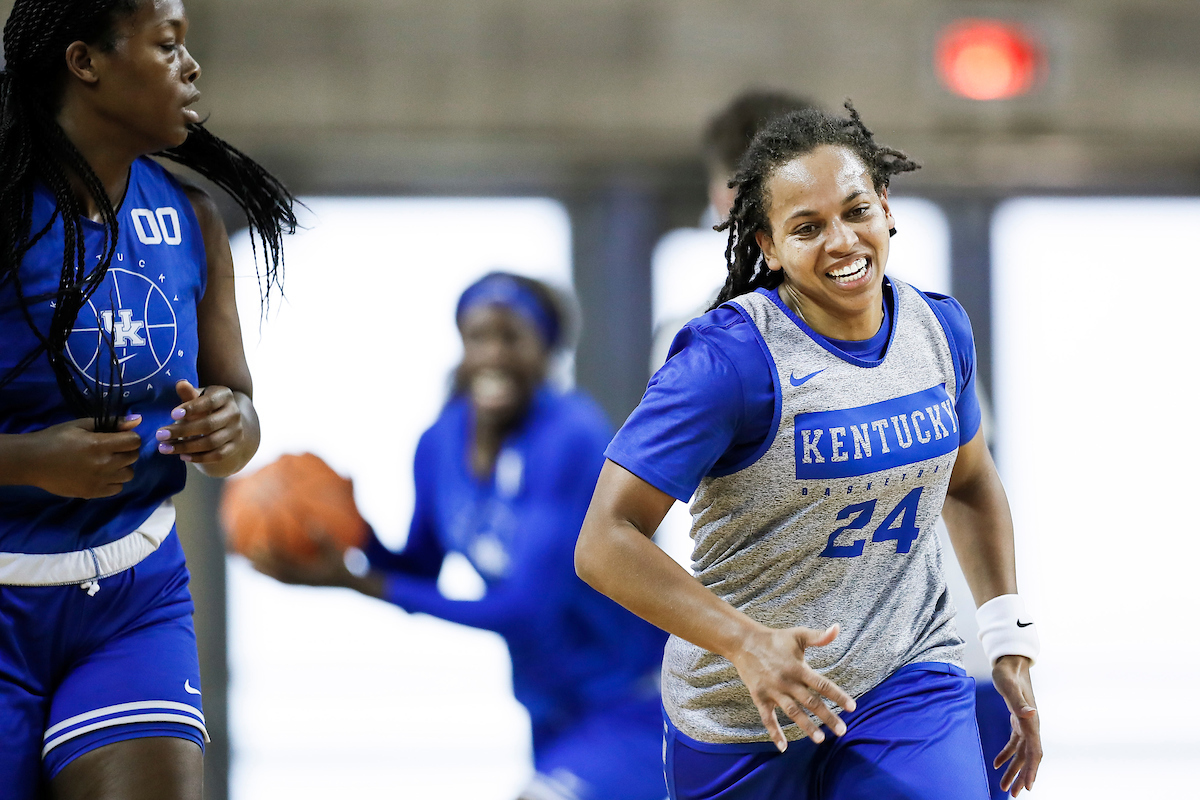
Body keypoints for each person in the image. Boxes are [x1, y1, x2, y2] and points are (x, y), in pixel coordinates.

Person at [575, 104, 1042, 799]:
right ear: (767, 244)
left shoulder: (939, 329)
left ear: (886, 206)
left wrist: (1007, 636)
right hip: (743, 707)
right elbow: (604, 543)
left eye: (856, 211)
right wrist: (743, 640)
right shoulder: (726, 360)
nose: (841, 240)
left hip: (904, 670)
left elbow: (970, 482)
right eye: (807, 227)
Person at [0, 1, 296, 798]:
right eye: (168, 45)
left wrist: (231, 426)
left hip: (135, 593)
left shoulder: (189, 217)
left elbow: (240, 405)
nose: (191, 67)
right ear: (84, 61)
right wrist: (26, 459)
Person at [253, 272, 670, 800]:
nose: (492, 353)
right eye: (478, 337)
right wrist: (350, 530)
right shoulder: (441, 442)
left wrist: (360, 584)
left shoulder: (570, 436)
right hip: (548, 710)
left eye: (511, 337)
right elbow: (420, 569)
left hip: (634, 699)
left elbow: (524, 609)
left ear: (545, 351)